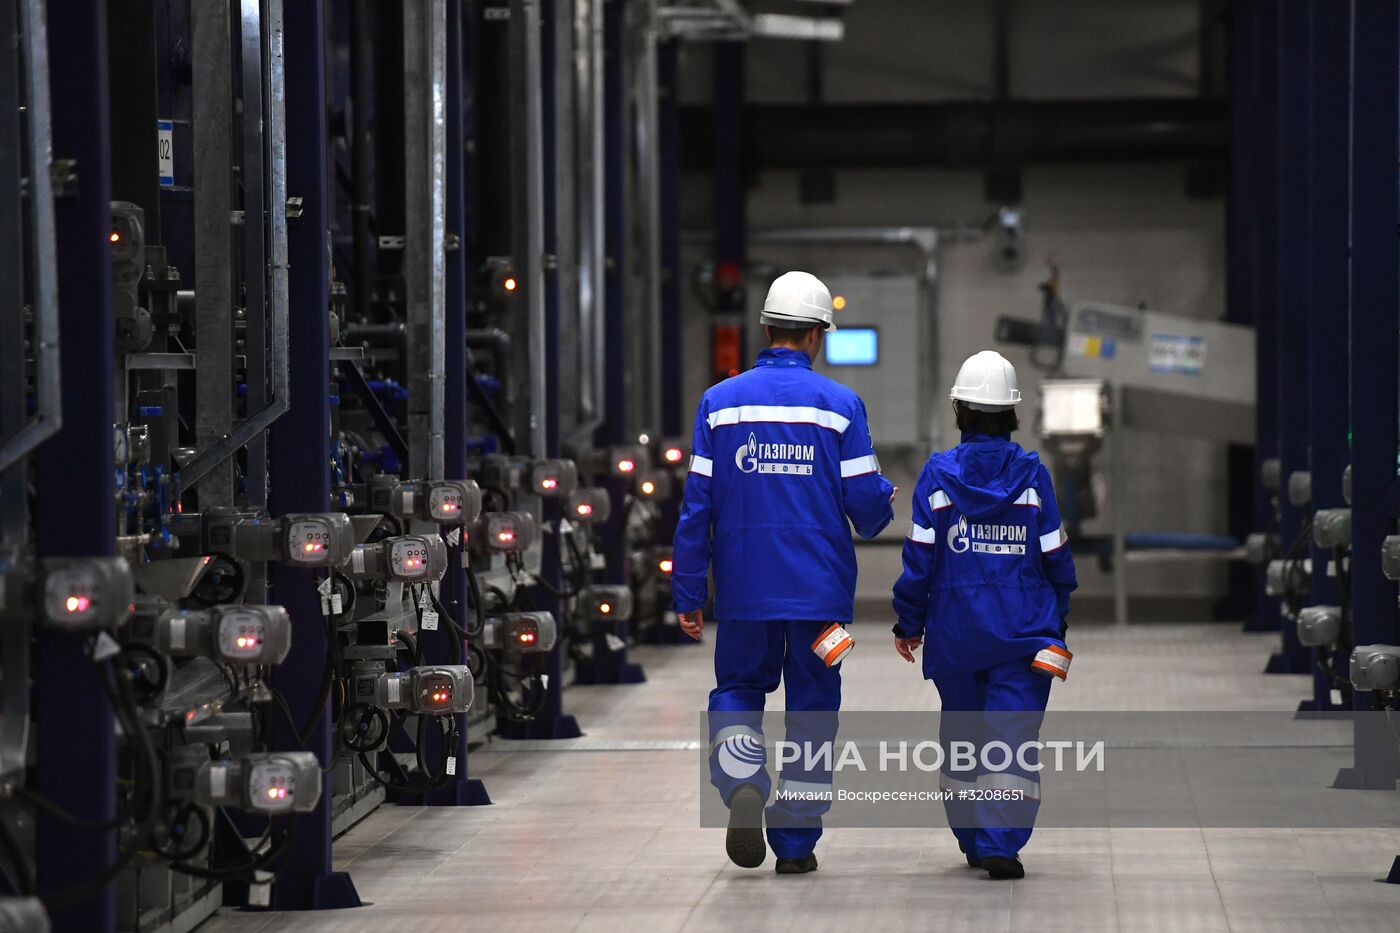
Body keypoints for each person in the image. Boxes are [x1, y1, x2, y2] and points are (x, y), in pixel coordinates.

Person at [672, 270, 897, 875]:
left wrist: (688, 589)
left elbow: (697, 507)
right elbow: (869, 513)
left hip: (743, 589)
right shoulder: (841, 406)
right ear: (818, 334)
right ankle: (795, 844)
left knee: (738, 690)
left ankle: (743, 780)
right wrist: (885, 490)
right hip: (819, 596)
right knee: (813, 709)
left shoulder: (719, 404)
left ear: (766, 328)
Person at [891, 349, 1077, 880]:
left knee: (962, 737)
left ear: (959, 412)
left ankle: (974, 837)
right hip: (1023, 633)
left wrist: (909, 623)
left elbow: (919, 560)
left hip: (956, 635)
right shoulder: (1033, 475)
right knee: (1011, 739)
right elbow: (1056, 556)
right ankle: (999, 842)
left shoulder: (937, 475)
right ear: (1012, 415)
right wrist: (1056, 619)